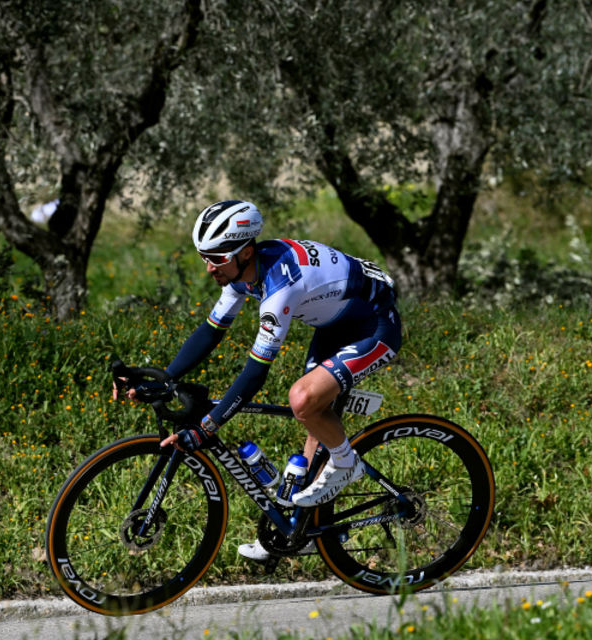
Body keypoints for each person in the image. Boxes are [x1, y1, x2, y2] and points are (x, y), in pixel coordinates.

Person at [138, 200, 402, 562]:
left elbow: (255, 373)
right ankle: (299, 530)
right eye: (204, 257)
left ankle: (347, 463)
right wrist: (165, 377)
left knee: (303, 400)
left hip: (375, 324)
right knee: (315, 417)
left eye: (216, 257)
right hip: (336, 324)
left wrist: (206, 427)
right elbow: (212, 332)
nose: (209, 267)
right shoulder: (243, 274)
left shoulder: (280, 288)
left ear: (245, 252)